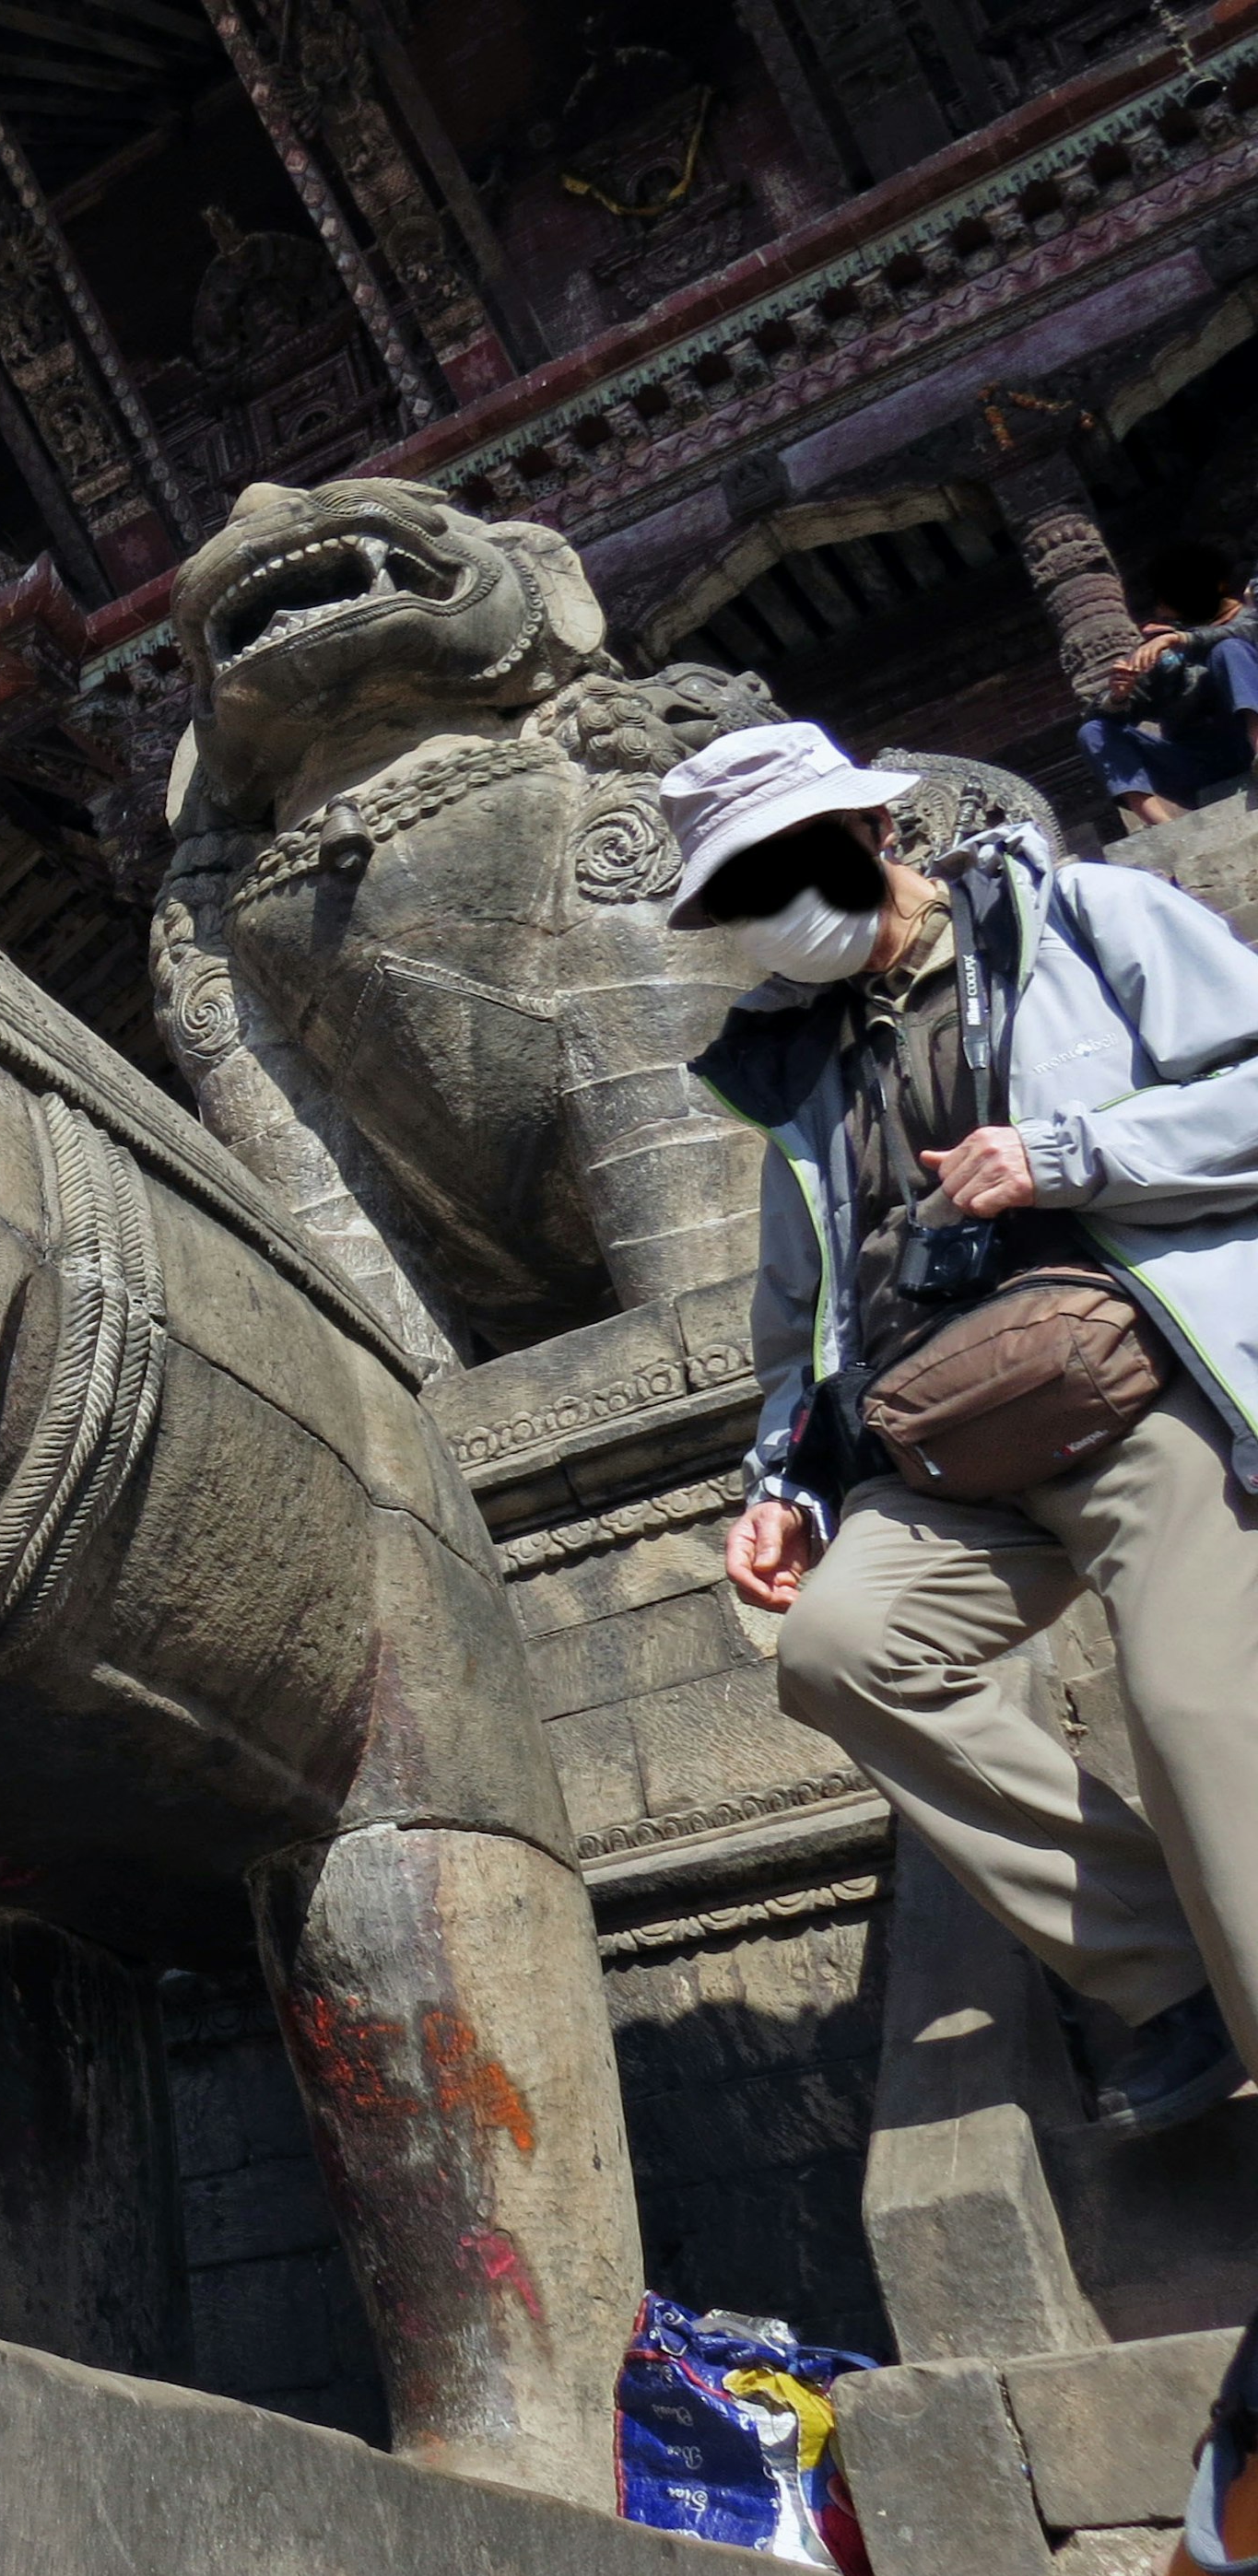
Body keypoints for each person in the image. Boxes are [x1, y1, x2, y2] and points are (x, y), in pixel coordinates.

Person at [669, 720, 1258, 2137]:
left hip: (1138, 1388)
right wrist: (783, 1485)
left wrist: (1069, 1155)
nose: (774, 916)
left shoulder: (1083, 918)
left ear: (880, 834)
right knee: (842, 1651)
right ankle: (1172, 1977)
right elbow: (799, 1317)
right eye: (742, 895)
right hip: (940, 1443)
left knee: (1195, 1715)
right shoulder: (797, 1073)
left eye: (786, 870)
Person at [1082, 537, 1258, 825]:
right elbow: (1101, 716)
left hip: (1243, 737)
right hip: (1200, 763)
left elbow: (1243, 633)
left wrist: (1183, 640)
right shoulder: (1164, 652)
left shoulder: (1249, 616)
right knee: (1093, 731)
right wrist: (1119, 696)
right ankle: (1164, 826)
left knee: (1228, 650)